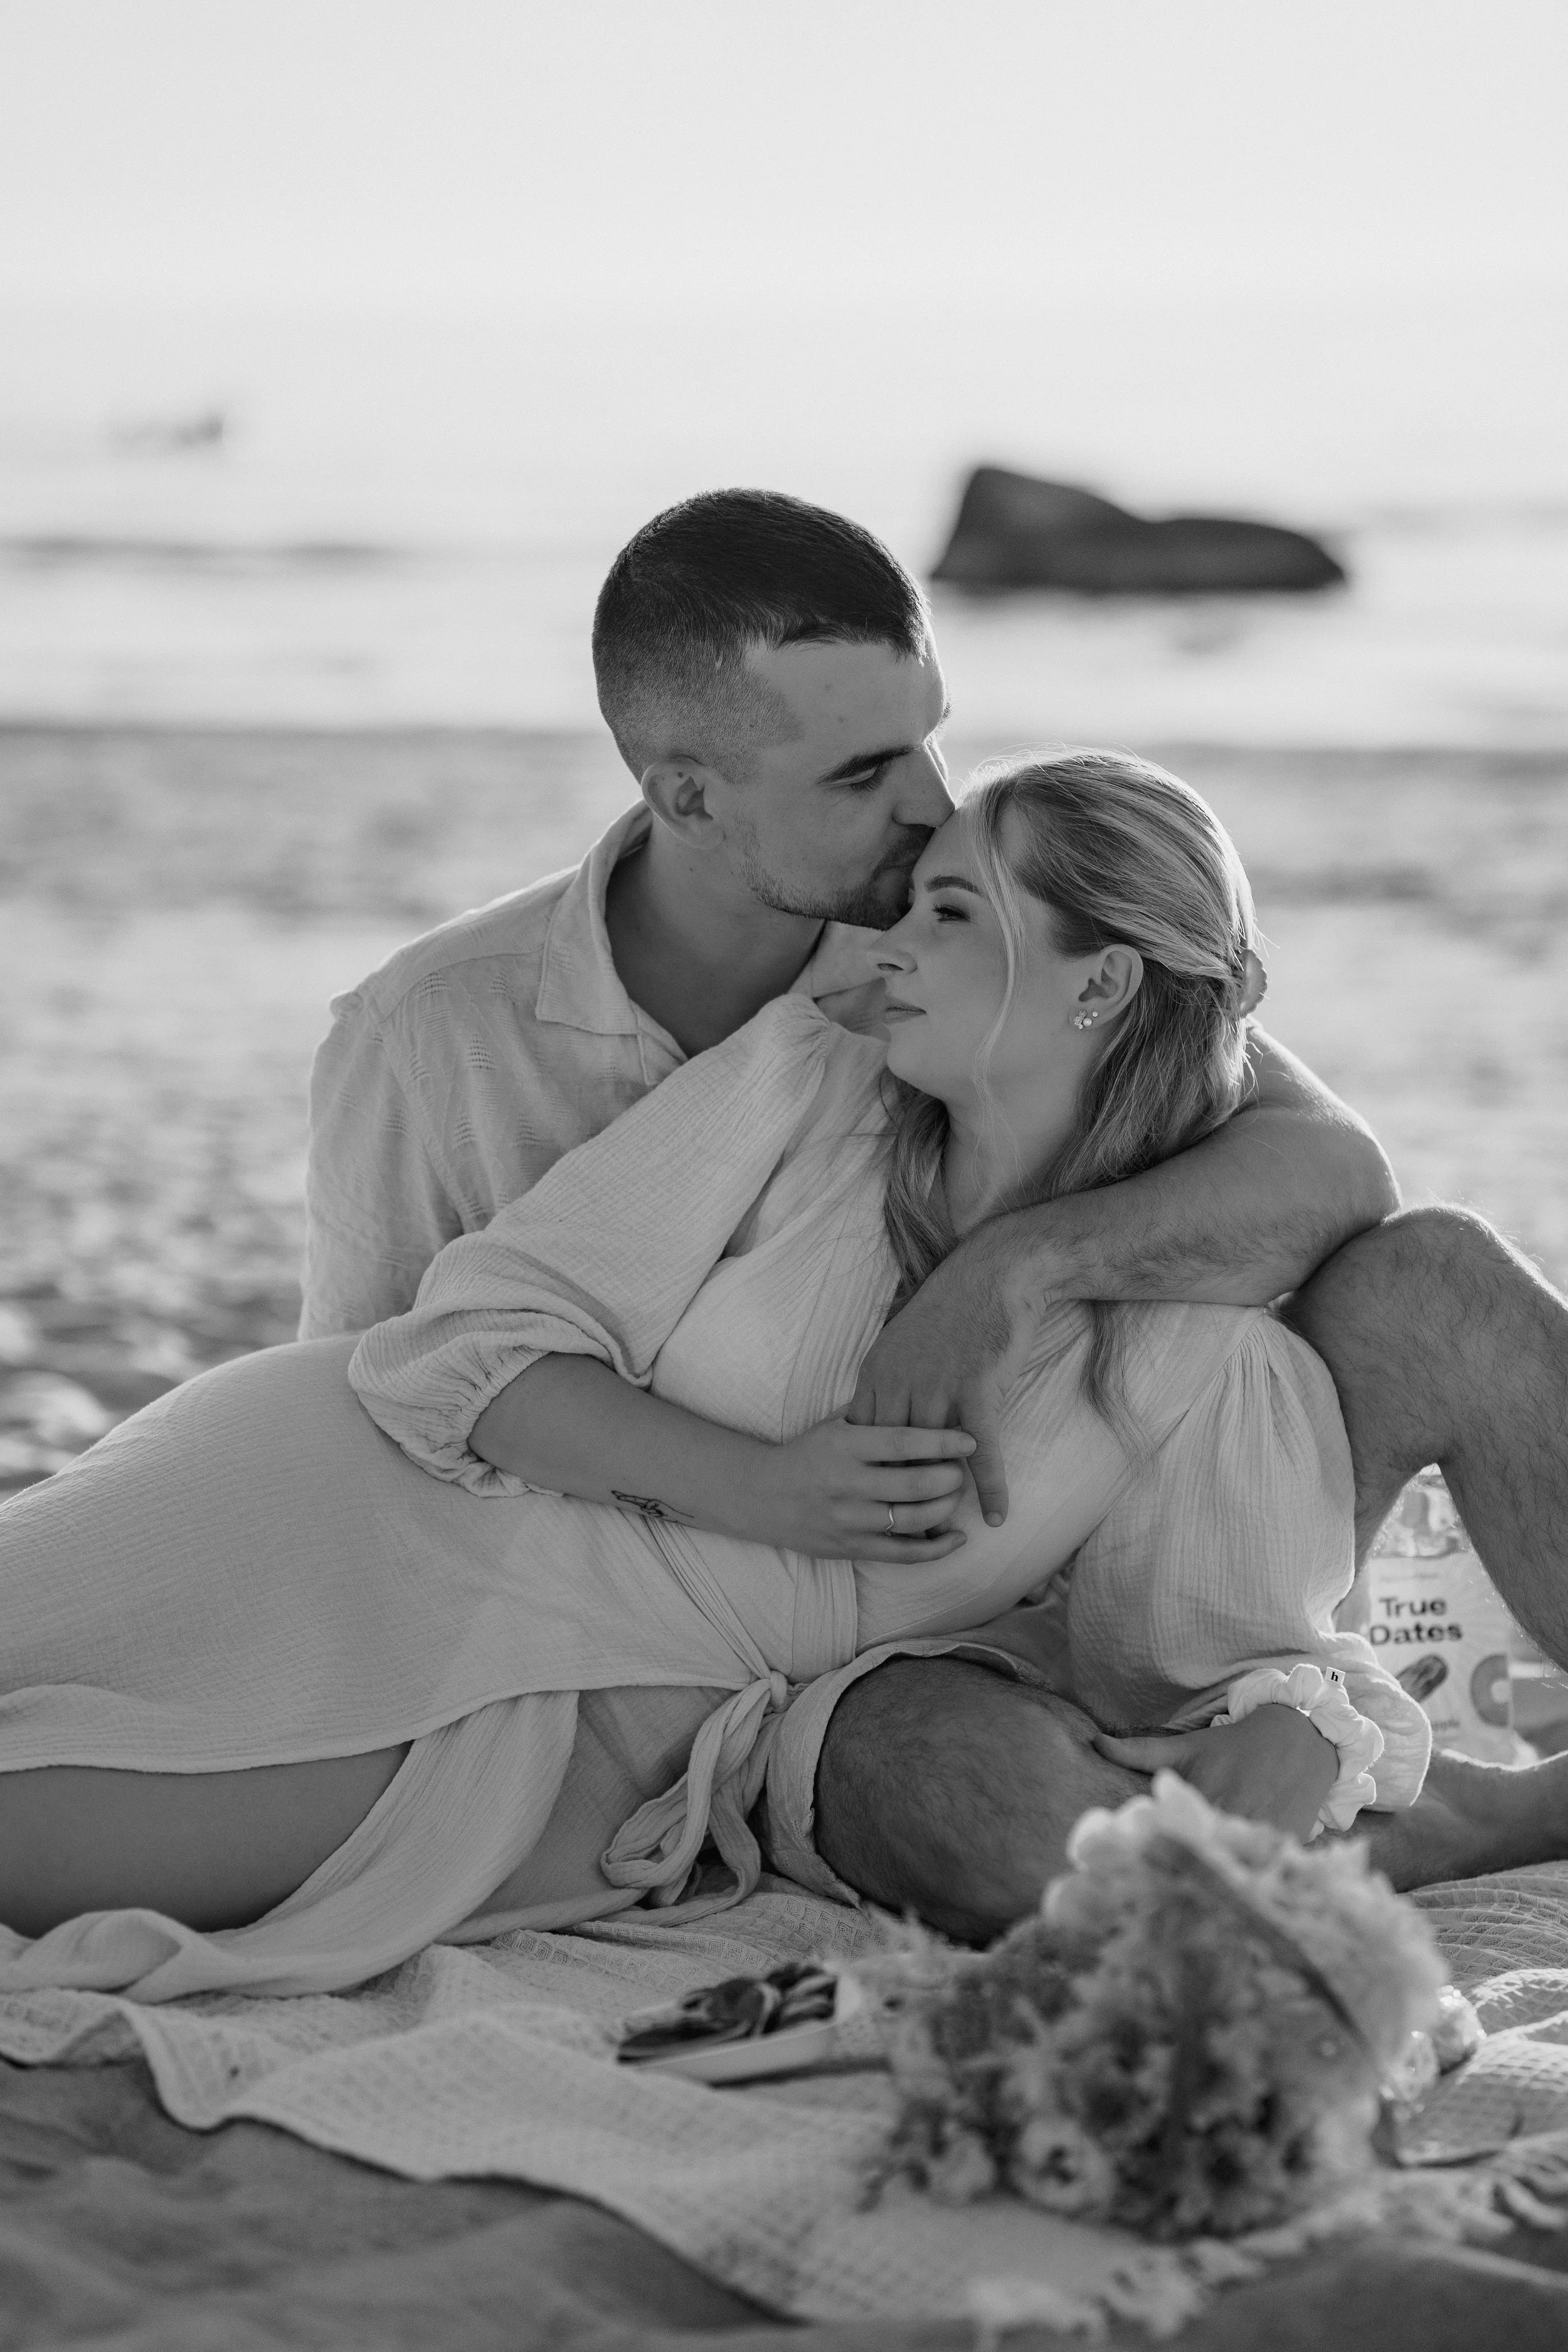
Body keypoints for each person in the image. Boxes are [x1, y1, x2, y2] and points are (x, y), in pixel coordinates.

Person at [0, 751, 1476, 2001]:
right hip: (326, 1488)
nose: (885, 944)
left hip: (559, 1728)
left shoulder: (1200, 1357)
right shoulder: (811, 1078)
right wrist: (770, 1489)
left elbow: (1232, 1665)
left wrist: (1293, 1732)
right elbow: (463, 1342)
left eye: (948, 913)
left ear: (1097, 989)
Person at [299, 488, 1568, 1689]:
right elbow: (354, 1416)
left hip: (1094, 1535)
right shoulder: (430, 1041)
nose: (932, 801)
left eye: (930, 737)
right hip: (711, 1648)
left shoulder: (948, 928)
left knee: (1441, 1284)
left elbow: (1328, 1168)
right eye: (861, 774)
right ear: (685, 794)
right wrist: (759, 1490)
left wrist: (1009, 1272)